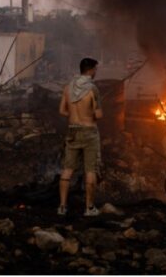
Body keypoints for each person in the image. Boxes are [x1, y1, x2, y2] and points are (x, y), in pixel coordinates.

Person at [58, 57, 103, 216]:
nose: (96, 72)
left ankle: (62, 207)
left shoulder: (68, 88)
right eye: (95, 69)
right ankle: (89, 208)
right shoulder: (92, 89)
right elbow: (99, 114)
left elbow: (62, 111)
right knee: (90, 170)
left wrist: (75, 115)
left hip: (72, 131)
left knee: (67, 169)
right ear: (90, 70)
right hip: (89, 132)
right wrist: (88, 114)